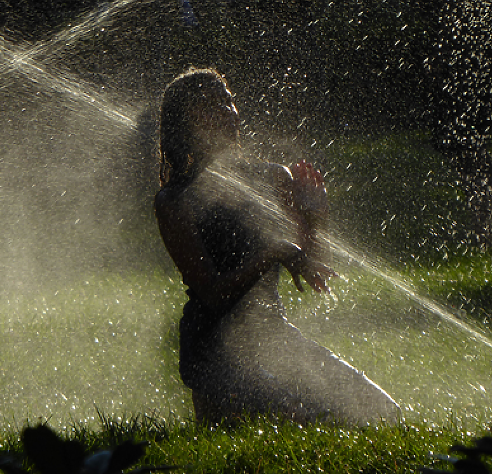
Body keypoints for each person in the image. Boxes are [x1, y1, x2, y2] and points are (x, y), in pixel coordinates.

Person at [154, 67, 400, 426]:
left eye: (230, 101)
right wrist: (274, 252)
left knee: (382, 412)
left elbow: (313, 269)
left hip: (274, 337)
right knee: (297, 420)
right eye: (213, 105)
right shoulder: (174, 201)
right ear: (187, 122)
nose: (229, 112)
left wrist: (317, 215)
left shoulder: (272, 178)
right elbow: (213, 295)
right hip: (215, 353)